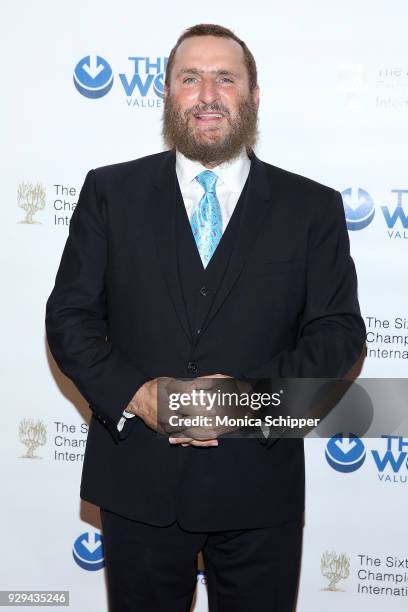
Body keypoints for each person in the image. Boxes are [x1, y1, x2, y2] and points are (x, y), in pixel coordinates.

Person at [45, 23, 366, 612]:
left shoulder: (311, 208)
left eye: (226, 77)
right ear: (167, 93)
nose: (208, 93)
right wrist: (139, 395)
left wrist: (247, 401)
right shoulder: (109, 193)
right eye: (190, 78)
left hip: (258, 487)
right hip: (137, 483)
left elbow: (338, 332)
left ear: (253, 96)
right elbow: (70, 318)